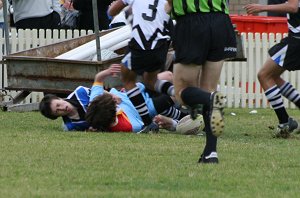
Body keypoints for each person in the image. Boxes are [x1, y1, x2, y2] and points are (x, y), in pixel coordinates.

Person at [166, 0, 237, 163]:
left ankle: (211, 99)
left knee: (181, 93)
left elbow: (168, 5)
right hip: (221, 22)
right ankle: (211, 152)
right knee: (208, 88)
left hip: (192, 24)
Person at [40, 64, 190, 132]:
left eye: (58, 104)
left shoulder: (92, 98)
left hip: (131, 92)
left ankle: (189, 111)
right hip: (147, 106)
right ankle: (193, 111)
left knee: (168, 77)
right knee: (176, 96)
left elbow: (97, 81)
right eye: (57, 111)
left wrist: (109, 76)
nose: (62, 108)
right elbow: (147, 125)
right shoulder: (128, 125)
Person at [108, 0, 175, 133]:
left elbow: (111, 12)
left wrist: (124, 9)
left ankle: (148, 123)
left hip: (141, 43)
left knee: (127, 80)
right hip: (161, 45)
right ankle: (182, 93)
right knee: (151, 81)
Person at [244, 0, 300, 138]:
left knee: (264, 75)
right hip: (295, 38)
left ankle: (284, 121)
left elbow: (293, 7)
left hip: (296, 39)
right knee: (273, 77)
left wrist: (261, 7)